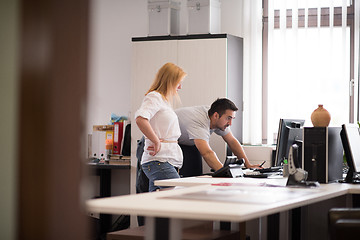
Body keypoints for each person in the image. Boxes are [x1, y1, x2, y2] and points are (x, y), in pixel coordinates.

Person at [135, 62, 186, 192]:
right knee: (177, 195)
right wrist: (156, 140)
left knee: (157, 205)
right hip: (158, 160)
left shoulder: (164, 101)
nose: (180, 87)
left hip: (165, 160)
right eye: (178, 82)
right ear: (170, 81)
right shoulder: (154, 97)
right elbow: (141, 119)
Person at [175, 98, 261, 174]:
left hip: (189, 142)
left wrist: (248, 165)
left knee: (195, 173)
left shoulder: (218, 117)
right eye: (228, 118)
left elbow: (232, 141)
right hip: (171, 143)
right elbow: (207, 153)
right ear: (216, 115)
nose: (230, 123)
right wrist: (225, 173)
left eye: (232, 119)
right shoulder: (199, 121)